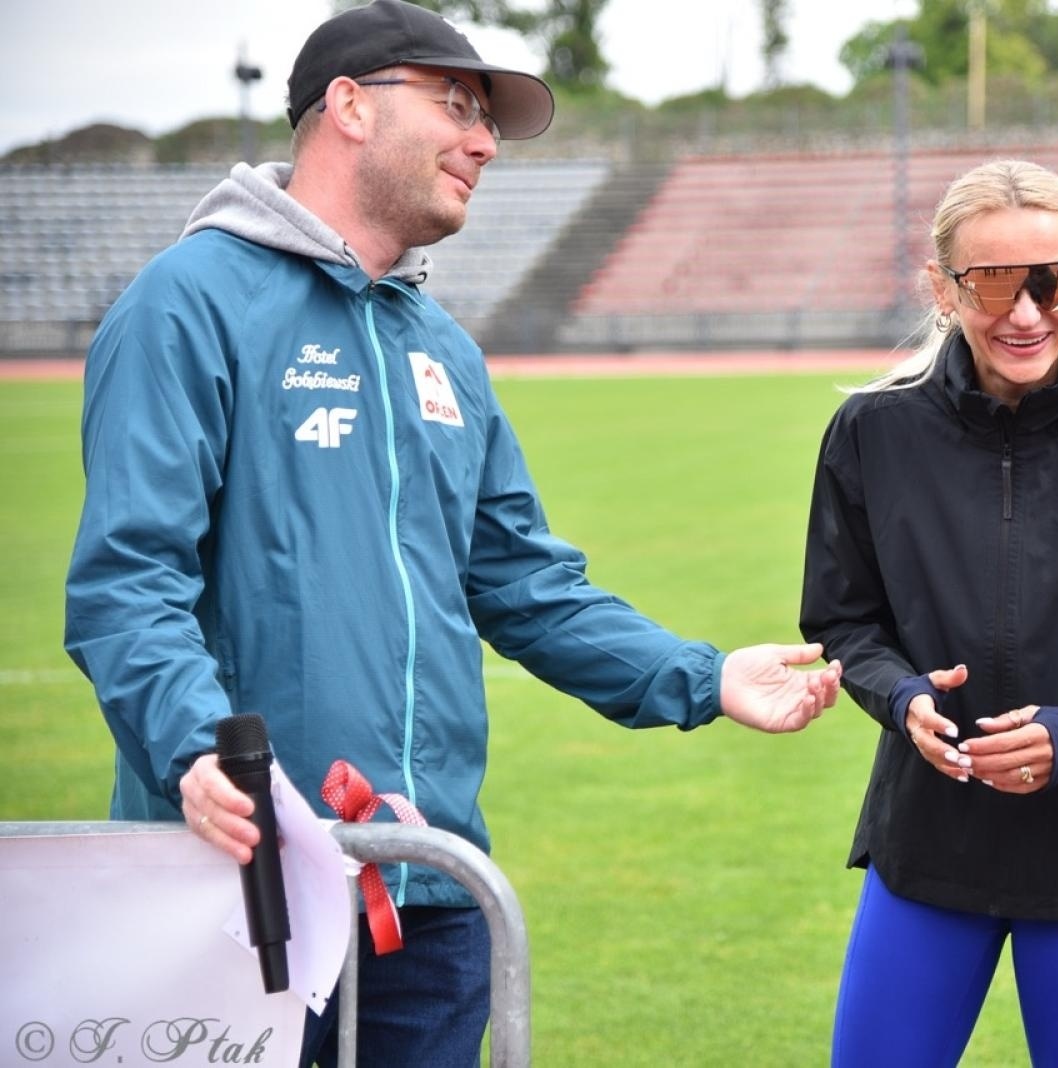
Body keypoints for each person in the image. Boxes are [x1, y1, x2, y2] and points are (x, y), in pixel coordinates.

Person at [62, 2, 841, 1065]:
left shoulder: (441, 351)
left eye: (486, 119)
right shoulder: (187, 305)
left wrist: (701, 677)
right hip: (245, 880)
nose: (483, 142)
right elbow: (127, 583)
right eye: (455, 105)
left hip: (428, 887)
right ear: (346, 107)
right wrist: (198, 746)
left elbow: (525, 584)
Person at [799, 159, 1058, 1066]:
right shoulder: (874, 429)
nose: (1025, 314)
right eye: (992, 283)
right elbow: (843, 624)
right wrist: (900, 695)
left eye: (1051, 281)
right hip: (929, 843)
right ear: (943, 287)